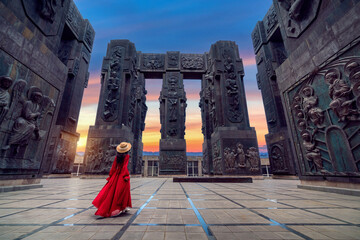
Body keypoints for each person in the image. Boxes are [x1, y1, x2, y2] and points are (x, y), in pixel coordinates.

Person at [92, 142, 132, 217]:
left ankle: (123, 207)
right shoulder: (127, 156)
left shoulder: (117, 157)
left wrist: (111, 176)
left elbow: (113, 167)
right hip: (123, 176)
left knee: (112, 192)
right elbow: (125, 167)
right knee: (123, 192)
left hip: (116, 175)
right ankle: (123, 207)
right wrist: (126, 176)